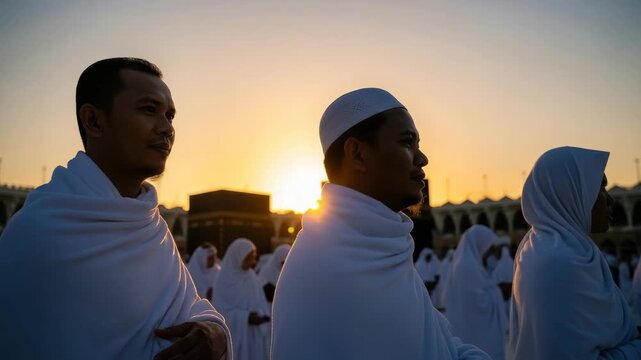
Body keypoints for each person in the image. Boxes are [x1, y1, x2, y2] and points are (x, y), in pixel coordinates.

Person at [0, 58, 230, 359]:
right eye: (149, 110)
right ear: (94, 121)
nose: (166, 129)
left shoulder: (152, 228)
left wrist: (215, 332)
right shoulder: (37, 233)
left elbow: (193, 310)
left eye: (170, 116)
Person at [271, 88, 490, 359]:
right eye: (407, 143)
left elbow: (440, 343)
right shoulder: (322, 266)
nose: (422, 159)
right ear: (358, 154)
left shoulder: (385, 248)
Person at [508, 146, 641, 359]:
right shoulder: (556, 262)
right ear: (570, 192)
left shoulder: (573, 250)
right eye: (600, 188)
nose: (610, 200)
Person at [442, 225, 507, 360]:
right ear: (480, 245)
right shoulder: (467, 266)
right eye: (489, 248)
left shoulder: (472, 264)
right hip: (473, 332)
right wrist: (499, 291)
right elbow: (478, 302)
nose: (491, 253)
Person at [214, 238, 270, 360]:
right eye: (248, 258)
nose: (252, 262)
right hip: (234, 339)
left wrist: (262, 315)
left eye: (253, 257)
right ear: (238, 256)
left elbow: (260, 302)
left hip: (252, 338)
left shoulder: (252, 277)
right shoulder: (223, 280)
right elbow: (219, 312)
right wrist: (246, 318)